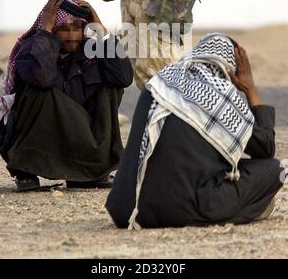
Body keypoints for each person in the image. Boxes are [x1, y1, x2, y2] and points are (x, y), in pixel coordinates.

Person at [106, 33, 284, 228]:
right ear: (231, 69)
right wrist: (250, 89)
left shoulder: (158, 86)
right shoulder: (219, 98)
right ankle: (245, 210)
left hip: (127, 208)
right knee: (276, 169)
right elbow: (265, 148)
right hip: (178, 209)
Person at [0, 0, 133, 191]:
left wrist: (102, 31)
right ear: (52, 29)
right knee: (41, 90)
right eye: (63, 29)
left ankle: (91, 170)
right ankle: (25, 170)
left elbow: (123, 78)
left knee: (110, 86)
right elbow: (42, 78)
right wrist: (44, 33)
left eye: (77, 27)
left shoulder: (90, 52)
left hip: (79, 138)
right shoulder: (31, 50)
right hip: (38, 139)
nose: (71, 36)